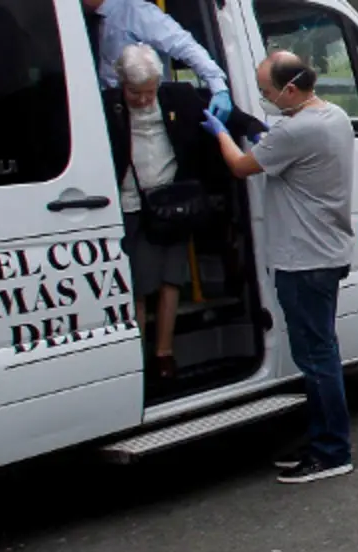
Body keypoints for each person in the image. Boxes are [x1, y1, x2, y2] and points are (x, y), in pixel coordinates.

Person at [199, 51, 356, 484]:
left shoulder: (297, 130)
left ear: (290, 89)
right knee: (320, 352)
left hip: (303, 259)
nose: (265, 98)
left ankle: (332, 451)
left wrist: (220, 132)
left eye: (267, 92)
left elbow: (239, 166)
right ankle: (324, 438)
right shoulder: (335, 115)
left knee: (316, 356)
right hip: (325, 252)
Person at [103, 43, 226, 380]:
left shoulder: (176, 97)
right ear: (121, 83)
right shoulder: (108, 106)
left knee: (172, 279)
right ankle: (137, 360)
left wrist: (256, 128)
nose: (143, 100)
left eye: (149, 91)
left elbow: (212, 116)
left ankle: (163, 354)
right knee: (138, 287)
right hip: (130, 204)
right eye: (135, 92)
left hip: (171, 204)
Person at [82, 0, 234, 123]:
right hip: (108, 112)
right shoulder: (81, 20)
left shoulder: (137, 12)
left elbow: (185, 46)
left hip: (149, 113)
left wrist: (218, 87)